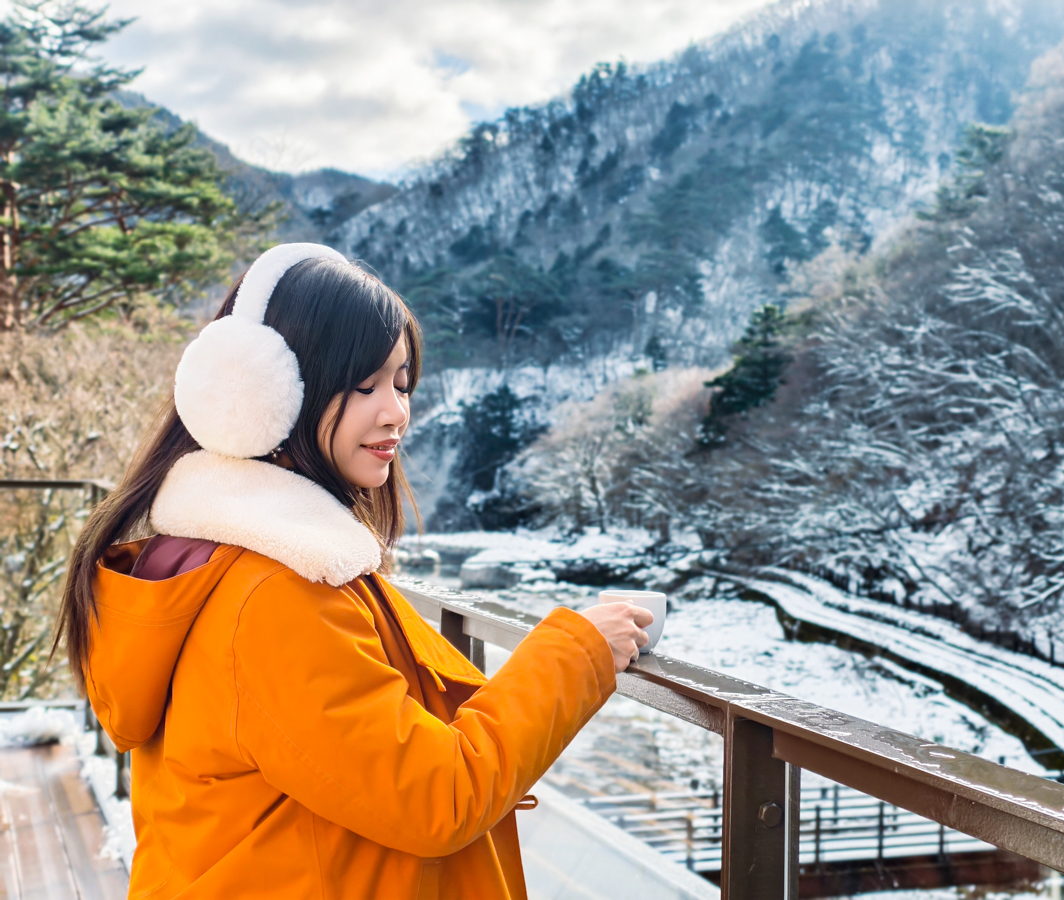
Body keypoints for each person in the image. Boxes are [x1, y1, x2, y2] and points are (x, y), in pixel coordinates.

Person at [57, 243, 654, 899]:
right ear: (269, 395)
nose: (396, 410)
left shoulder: (205, 560)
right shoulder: (275, 596)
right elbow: (436, 796)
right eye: (364, 384)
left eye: (402, 383)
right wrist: (578, 655)